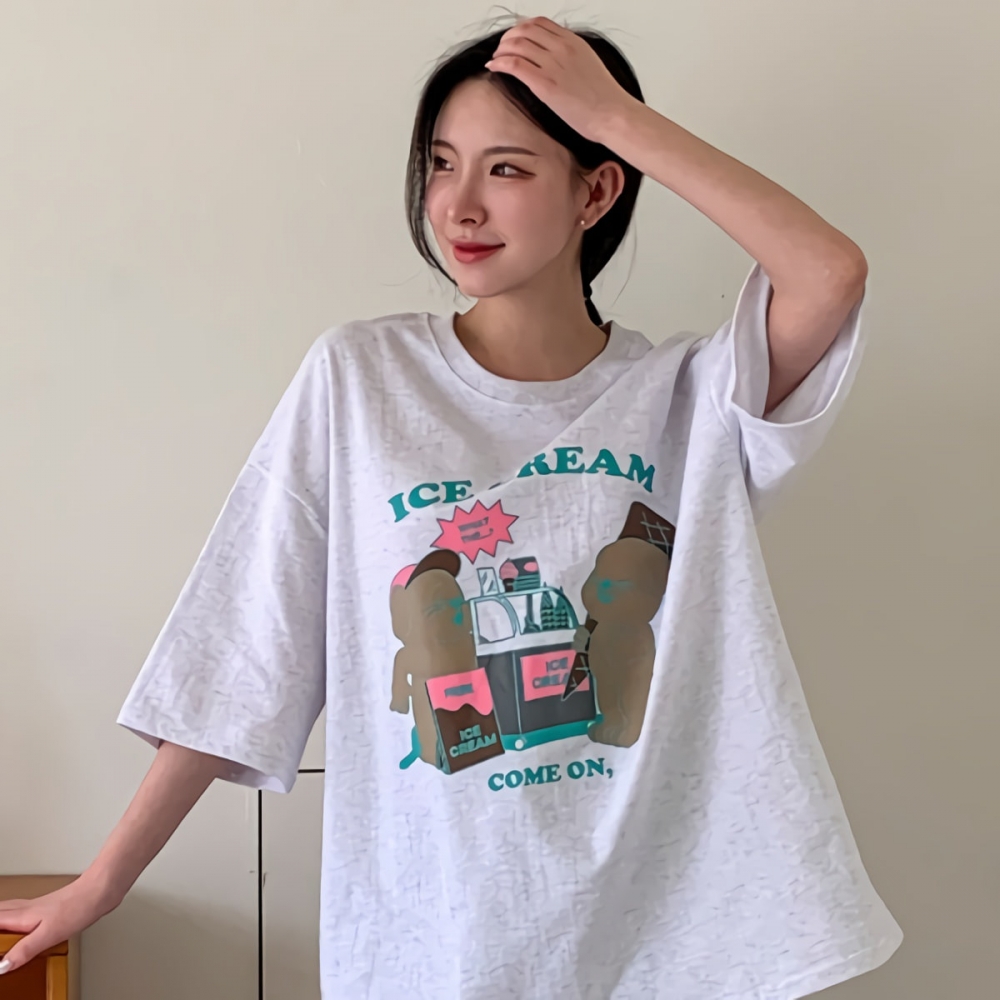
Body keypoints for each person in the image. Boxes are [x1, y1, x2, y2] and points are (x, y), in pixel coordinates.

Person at [0, 15, 904, 999]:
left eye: (507, 168)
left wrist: (611, 115)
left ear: (597, 190)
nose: (459, 205)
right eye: (440, 164)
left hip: (661, 945)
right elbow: (246, 649)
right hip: (435, 940)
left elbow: (829, 272)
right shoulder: (361, 379)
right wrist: (102, 883)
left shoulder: (691, 396)